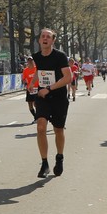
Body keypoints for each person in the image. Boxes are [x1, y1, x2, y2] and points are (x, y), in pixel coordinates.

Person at [29, 28, 73, 179]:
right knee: (41, 127)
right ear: (39, 40)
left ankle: (59, 157)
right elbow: (40, 71)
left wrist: (49, 88)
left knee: (58, 130)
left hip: (59, 97)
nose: (45, 38)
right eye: (43, 36)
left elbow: (68, 77)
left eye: (48, 36)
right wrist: (32, 82)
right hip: (43, 97)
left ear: (53, 40)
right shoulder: (36, 56)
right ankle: (44, 163)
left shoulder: (60, 56)